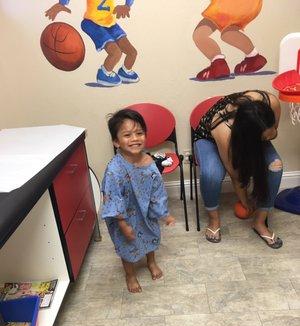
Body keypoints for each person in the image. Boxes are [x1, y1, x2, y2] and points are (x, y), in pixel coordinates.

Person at [193, 90, 283, 248]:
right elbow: (235, 173)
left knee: (275, 166)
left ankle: (260, 222)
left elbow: (273, 131)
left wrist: (270, 134)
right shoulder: (223, 130)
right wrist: (245, 200)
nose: (269, 139)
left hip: (253, 134)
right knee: (212, 174)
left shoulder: (271, 102)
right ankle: (214, 220)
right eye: (265, 138)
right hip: (209, 139)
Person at [101, 109, 175, 293]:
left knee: (150, 235)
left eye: (139, 133)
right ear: (116, 141)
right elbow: (112, 197)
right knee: (127, 245)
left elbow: (157, 190)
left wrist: (163, 213)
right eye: (127, 135)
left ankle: (151, 261)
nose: (135, 138)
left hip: (146, 211)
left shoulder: (149, 162)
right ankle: (130, 275)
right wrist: (122, 223)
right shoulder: (114, 170)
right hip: (124, 216)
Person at [45, 0, 139, 87]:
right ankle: (104, 73)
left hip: (110, 23)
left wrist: (127, 5)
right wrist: (62, 3)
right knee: (116, 53)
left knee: (132, 53)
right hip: (92, 23)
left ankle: (125, 71)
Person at [193, 0, 267, 80]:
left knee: (199, 35)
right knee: (228, 33)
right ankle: (253, 57)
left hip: (226, 6)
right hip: (250, 6)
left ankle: (218, 64)